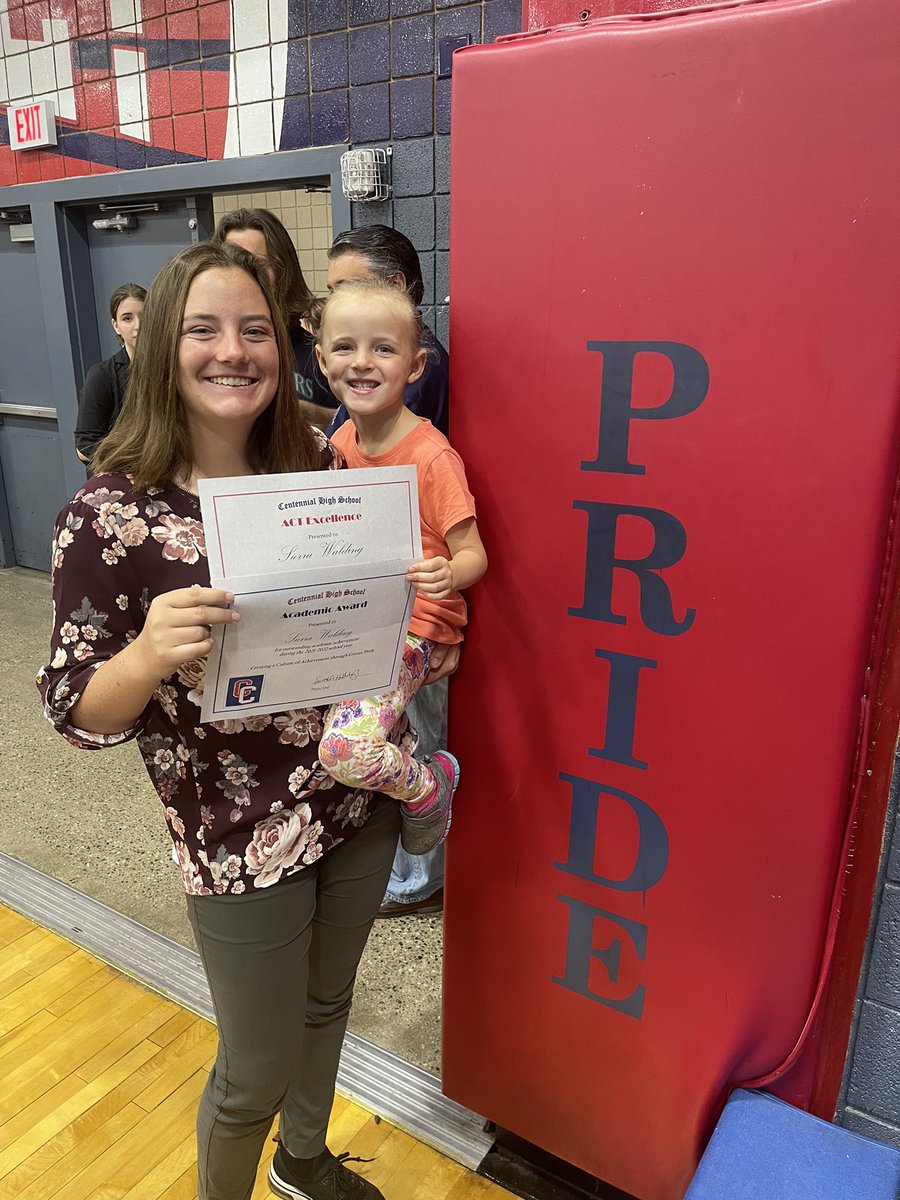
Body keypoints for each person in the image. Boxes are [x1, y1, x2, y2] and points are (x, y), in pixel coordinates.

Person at [37, 241, 448, 1200]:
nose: (235, 351)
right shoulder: (109, 518)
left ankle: (302, 1162)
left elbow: (366, 608)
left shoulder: (315, 466)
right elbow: (75, 712)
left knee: (328, 1004)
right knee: (252, 1068)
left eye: (256, 329)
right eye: (204, 329)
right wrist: (142, 655)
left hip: (355, 797)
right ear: (158, 352)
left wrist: (408, 591)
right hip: (239, 842)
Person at [315, 279, 487, 858]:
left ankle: (427, 787)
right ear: (320, 359)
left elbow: (472, 553)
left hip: (414, 627)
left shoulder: (431, 455)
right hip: (359, 618)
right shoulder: (340, 440)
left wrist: (449, 576)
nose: (362, 362)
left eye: (383, 349)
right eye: (345, 347)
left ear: (415, 367)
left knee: (345, 750)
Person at [213, 206, 337, 430]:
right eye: (231, 260)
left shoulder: (315, 351)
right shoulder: (206, 352)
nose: (242, 273)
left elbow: (353, 423)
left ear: (282, 270)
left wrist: (305, 412)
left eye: (256, 263)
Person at [323, 225, 449, 439]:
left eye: (348, 288)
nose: (337, 302)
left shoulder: (413, 370)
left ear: (396, 285)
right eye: (332, 292)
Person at [74, 282, 146, 467]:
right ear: (116, 326)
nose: (138, 326)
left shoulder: (175, 369)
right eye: (127, 319)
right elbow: (85, 446)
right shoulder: (102, 375)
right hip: (127, 476)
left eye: (145, 316)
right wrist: (132, 464)